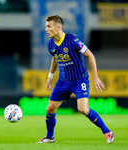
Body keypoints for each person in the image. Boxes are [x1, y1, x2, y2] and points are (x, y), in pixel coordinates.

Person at [36, 15, 115, 144]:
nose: (46, 29)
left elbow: (90, 55)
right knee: (50, 109)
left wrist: (95, 77)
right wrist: (50, 76)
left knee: (83, 109)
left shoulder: (72, 40)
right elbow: (55, 57)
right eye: (46, 26)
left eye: (49, 26)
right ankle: (50, 137)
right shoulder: (50, 43)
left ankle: (108, 132)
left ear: (58, 27)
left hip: (79, 80)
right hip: (63, 81)